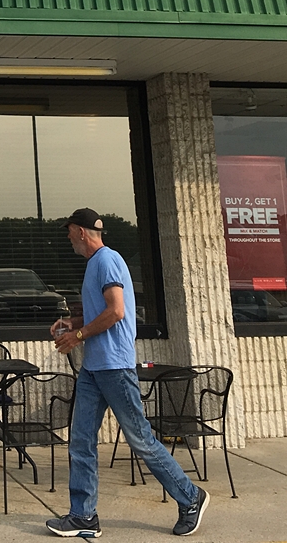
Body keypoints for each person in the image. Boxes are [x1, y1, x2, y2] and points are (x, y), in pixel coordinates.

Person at [46, 208, 209, 539]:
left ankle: (191, 497)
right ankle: (83, 516)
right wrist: (73, 322)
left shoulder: (106, 260)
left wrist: (77, 336)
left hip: (115, 367)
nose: (68, 237)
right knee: (81, 441)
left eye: (69, 231)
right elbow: (102, 311)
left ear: (80, 231)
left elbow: (117, 311)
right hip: (94, 369)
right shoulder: (96, 264)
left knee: (141, 440)